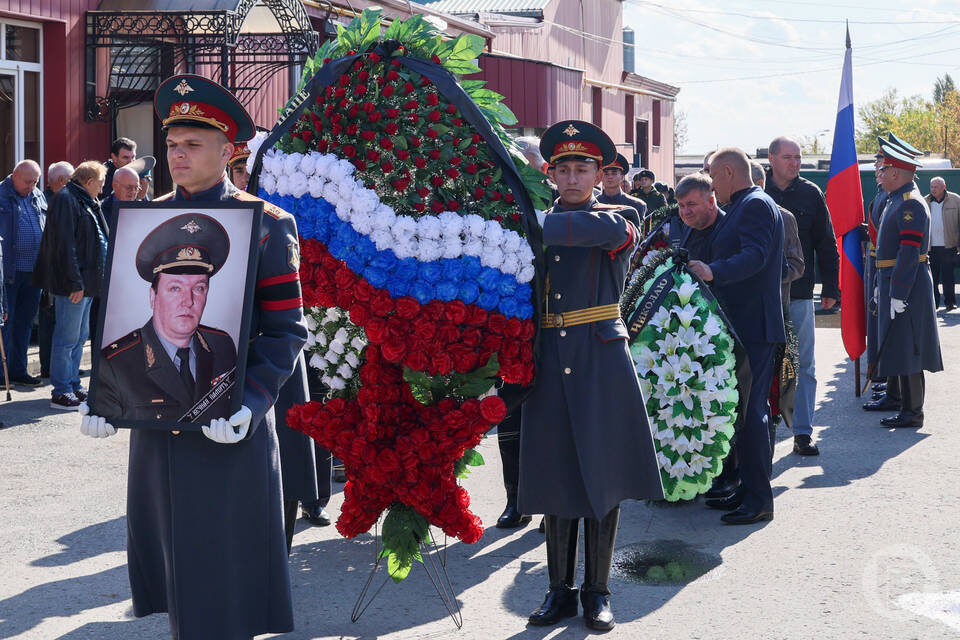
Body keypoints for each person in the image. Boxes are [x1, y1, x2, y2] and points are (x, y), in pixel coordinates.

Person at [78, 73, 307, 640]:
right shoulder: (142, 220)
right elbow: (122, 318)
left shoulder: (268, 226)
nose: (177, 155)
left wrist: (252, 404)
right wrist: (103, 396)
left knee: (227, 581)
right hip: (158, 432)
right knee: (178, 573)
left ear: (228, 151)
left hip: (229, 427)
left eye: (193, 145)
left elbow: (286, 332)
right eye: (172, 144)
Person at [521, 120, 662, 631]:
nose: (575, 178)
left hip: (600, 357)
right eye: (565, 169)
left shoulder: (620, 215)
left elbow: (603, 235)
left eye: (584, 169)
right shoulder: (535, 218)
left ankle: (598, 591)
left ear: (600, 174)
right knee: (558, 474)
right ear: (551, 173)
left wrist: (524, 219)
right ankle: (559, 590)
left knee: (602, 474)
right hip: (550, 355)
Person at [688, 147, 784, 525]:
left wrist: (713, 271)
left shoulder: (756, 204)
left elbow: (756, 256)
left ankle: (759, 498)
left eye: (712, 175)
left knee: (751, 413)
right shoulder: (748, 204)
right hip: (745, 323)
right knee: (742, 413)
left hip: (754, 326)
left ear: (728, 172)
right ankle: (746, 489)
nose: (711, 182)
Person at [93, 213, 236, 422]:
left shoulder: (222, 345)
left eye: (199, 288)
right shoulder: (116, 363)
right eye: (175, 288)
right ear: (153, 296)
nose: (188, 301)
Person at [763, 136, 838, 456]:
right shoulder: (757, 192)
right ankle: (762, 430)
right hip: (761, 296)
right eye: (788, 157)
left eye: (798, 157)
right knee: (763, 365)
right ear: (771, 159)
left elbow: (826, 244)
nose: (795, 163)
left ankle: (803, 432)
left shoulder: (810, 193)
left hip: (800, 292)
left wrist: (832, 289)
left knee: (804, 364)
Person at [872, 141, 943, 428]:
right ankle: (900, 400)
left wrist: (898, 292)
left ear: (897, 172)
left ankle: (913, 412)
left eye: (884, 168)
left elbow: (909, 252)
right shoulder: (896, 199)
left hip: (908, 284)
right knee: (899, 344)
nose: (880, 172)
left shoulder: (910, 202)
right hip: (894, 280)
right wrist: (882, 285)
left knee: (910, 347)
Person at [33, 161, 108, 409]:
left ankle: (73, 384)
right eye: (100, 183)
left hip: (86, 282)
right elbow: (65, 246)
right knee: (67, 337)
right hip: (74, 284)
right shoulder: (67, 199)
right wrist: (75, 283)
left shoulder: (82, 199)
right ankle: (62, 389)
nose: (102, 188)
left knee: (79, 336)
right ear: (88, 182)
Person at [0, 160, 47, 386]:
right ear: (15, 175)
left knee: (25, 322)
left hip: (34, 271)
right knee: (5, 324)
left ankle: (18, 370)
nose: (32, 186)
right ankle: (2, 374)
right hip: (9, 271)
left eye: (35, 181)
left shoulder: (37, 195)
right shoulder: (1, 194)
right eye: (28, 181)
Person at [924, 176, 960, 311]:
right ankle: (934, 303)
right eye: (932, 187)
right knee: (932, 277)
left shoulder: (956, 200)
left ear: (943, 187)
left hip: (949, 245)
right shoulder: (925, 201)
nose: (933, 189)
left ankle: (950, 302)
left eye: (936, 187)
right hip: (930, 247)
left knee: (948, 276)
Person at [597, 153, 647, 219]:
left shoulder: (637, 205)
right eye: (606, 174)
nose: (610, 177)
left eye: (614, 173)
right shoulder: (593, 204)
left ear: (622, 177)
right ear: (600, 176)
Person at [99, 165, 140, 232]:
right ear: (115, 186)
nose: (133, 192)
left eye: (136, 188)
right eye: (129, 187)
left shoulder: (141, 209)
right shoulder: (101, 209)